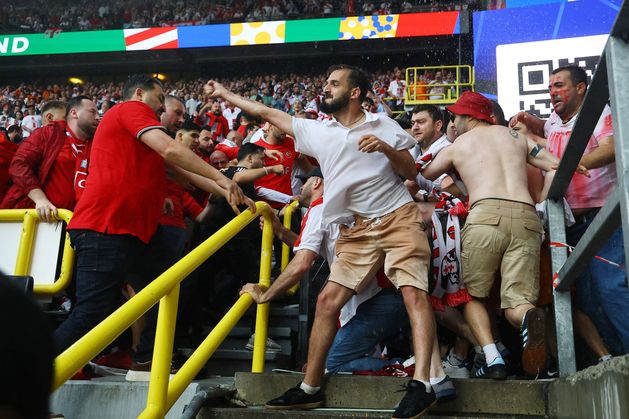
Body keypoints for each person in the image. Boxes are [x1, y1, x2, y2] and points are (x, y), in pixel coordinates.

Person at [210, 64, 438, 418]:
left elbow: (410, 172)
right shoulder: (319, 130)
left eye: (334, 83)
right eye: (326, 83)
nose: (326, 88)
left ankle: (422, 385)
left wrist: (385, 148)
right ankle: (310, 387)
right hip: (356, 229)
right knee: (328, 300)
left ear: (356, 92)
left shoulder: (383, 125)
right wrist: (225, 95)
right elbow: (267, 112)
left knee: (413, 291)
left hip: (397, 217)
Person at [52, 75, 252, 364]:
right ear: (138, 94)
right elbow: (171, 150)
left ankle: (147, 358)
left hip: (134, 234)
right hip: (104, 228)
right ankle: (24, 381)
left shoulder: (144, 139)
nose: (161, 109)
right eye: (159, 100)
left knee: (170, 284)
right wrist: (223, 178)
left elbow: (185, 174)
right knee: (90, 315)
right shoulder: (130, 109)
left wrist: (230, 192)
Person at [241, 168, 457, 403]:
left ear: (316, 182)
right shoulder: (342, 206)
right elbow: (317, 249)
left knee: (332, 365)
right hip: (385, 295)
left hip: (380, 297)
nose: (298, 188)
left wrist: (267, 294)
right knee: (325, 360)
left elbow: (303, 262)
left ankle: (411, 365)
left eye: (302, 183)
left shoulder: (320, 209)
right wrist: (281, 231)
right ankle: (435, 367)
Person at [421, 91, 573, 378]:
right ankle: (529, 317)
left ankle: (493, 358)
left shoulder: (459, 145)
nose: (453, 122)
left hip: (485, 216)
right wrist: (547, 190)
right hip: (527, 218)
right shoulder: (516, 137)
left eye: (455, 116)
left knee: (470, 296)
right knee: (517, 301)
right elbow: (554, 165)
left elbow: (424, 174)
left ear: (469, 117)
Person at [510, 65, 629, 353]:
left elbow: (613, 147)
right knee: (586, 299)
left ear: (581, 88)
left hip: (602, 215)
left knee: (610, 286)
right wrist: (533, 121)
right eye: (550, 87)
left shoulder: (598, 112)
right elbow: (549, 132)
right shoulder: (553, 120)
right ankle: (613, 359)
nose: (552, 92)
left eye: (559, 86)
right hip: (569, 222)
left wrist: (576, 162)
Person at [1, 96, 99, 218]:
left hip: (79, 221)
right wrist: (40, 199)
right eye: (64, 118)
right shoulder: (48, 134)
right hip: (41, 219)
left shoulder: (95, 142)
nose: (97, 117)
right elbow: (19, 165)